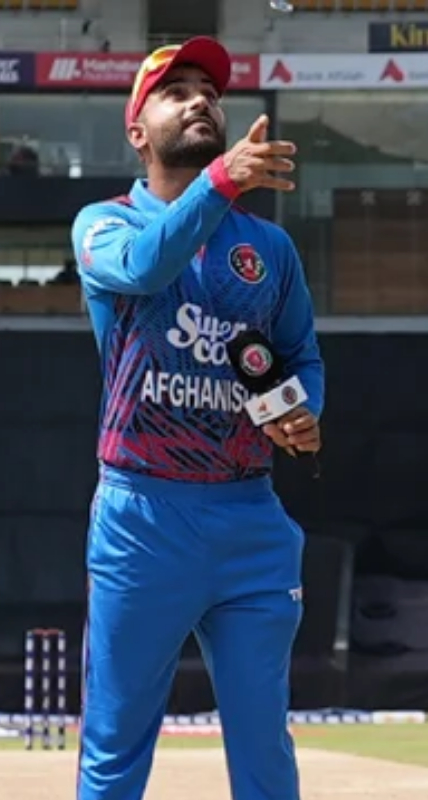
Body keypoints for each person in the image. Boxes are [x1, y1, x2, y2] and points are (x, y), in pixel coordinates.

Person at [69, 37, 324, 800]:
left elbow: (302, 357)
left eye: (208, 89)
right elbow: (148, 265)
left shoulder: (269, 248)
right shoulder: (102, 224)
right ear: (137, 130)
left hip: (251, 517)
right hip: (142, 518)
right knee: (114, 752)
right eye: (175, 90)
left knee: (265, 755)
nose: (200, 99)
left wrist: (305, 414)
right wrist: (218, 183)